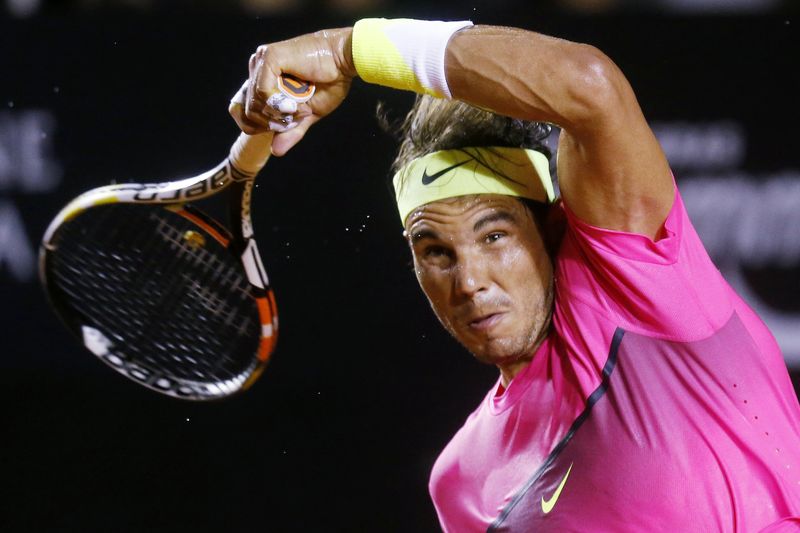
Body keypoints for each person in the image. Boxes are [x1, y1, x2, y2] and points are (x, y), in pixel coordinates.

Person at [229, 18, 800, 531]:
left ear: (549, 228)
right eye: (435, 252)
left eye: (494, 236)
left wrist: (349, 50)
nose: (469, 280)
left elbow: (587, 81)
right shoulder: (460, 485)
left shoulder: (641, 285)